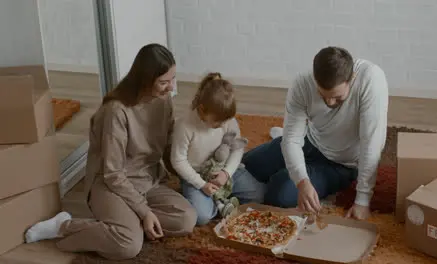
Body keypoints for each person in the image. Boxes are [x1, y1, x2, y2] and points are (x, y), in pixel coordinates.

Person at [24, 43, 197, 260]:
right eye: (164, 82)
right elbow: (113, 174)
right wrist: (144, 212)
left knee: (187, 219)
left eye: (173, 79)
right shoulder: (116, 111)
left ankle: (123, 224)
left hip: (147, 180)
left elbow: (168, 146)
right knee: (128, 245)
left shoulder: (164, 101)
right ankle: (65, 226)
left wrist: (195, 173)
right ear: (144, 80)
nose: (171, 87)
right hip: (109, 185)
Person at [242, 46, 388, 220]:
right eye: (323, 95)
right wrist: (303, 182)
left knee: (278, 193)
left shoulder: (371, 79)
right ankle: (285, 151)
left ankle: (291, 169)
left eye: (338, 97)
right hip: (311, 141)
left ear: (352, 78)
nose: (329, 102)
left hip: (341, 164)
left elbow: (371, 144)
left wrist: (362, 201)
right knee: (250, 163)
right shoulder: (303, 83)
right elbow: (292, 139)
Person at [170, 72, 265, 225]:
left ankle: (220, 199)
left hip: (222, 169)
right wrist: (202, 185)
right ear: (201, 110)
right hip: (198, 176)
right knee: (202, 217)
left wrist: (226, 173)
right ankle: (220, 202)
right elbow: (178, 160)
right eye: (217, 122)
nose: (222, 125)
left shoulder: (226, 119)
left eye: (225, 121)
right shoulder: (184, 126)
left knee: (259, 195)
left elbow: (236, 148)